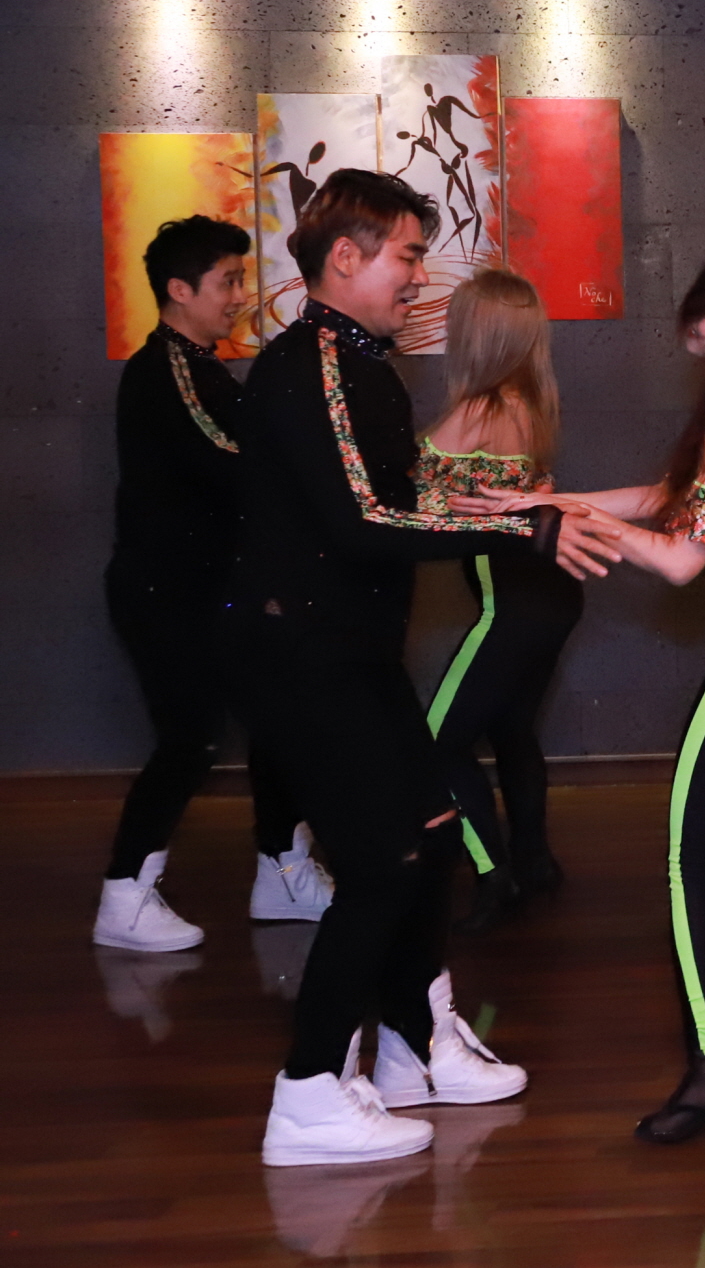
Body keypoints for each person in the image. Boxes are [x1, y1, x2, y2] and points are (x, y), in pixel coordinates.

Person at [227, 169, 614, 1168]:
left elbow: (405, 497)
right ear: (344, 258)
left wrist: (522, 510)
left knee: (435, 836)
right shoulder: (312, 364)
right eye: (405, 256)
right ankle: (308, 1092)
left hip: (359, 657)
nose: (416, 277)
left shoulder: (365, 368)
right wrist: (521, 530)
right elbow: (366, 521)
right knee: (381, 865)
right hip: (307, 662)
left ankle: (412, 1046)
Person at [483, 248, 705, 1146]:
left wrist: (568, 522)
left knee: (690, 856)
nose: (697, 318)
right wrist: (556, 496)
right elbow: (678, 497)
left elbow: (682, 558)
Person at [93, 215, 329, 953]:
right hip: (166, 595)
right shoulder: (169, 370)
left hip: (214, 592)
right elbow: (243, 462)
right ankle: (124, 897)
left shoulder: (201, 366)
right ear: (179, 289)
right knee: (190, 739)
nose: (239, 295)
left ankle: (282, 871)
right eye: (227, 281)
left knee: (280, 720)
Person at [416, 271, 583, 933]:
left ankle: (494, 875)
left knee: (435, 744)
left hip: (511, 605)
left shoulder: (479, 410)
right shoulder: (529, 402)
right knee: (512, 729)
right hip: (552, 594)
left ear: (475, 336)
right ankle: (535, 861)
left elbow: (412, 496)